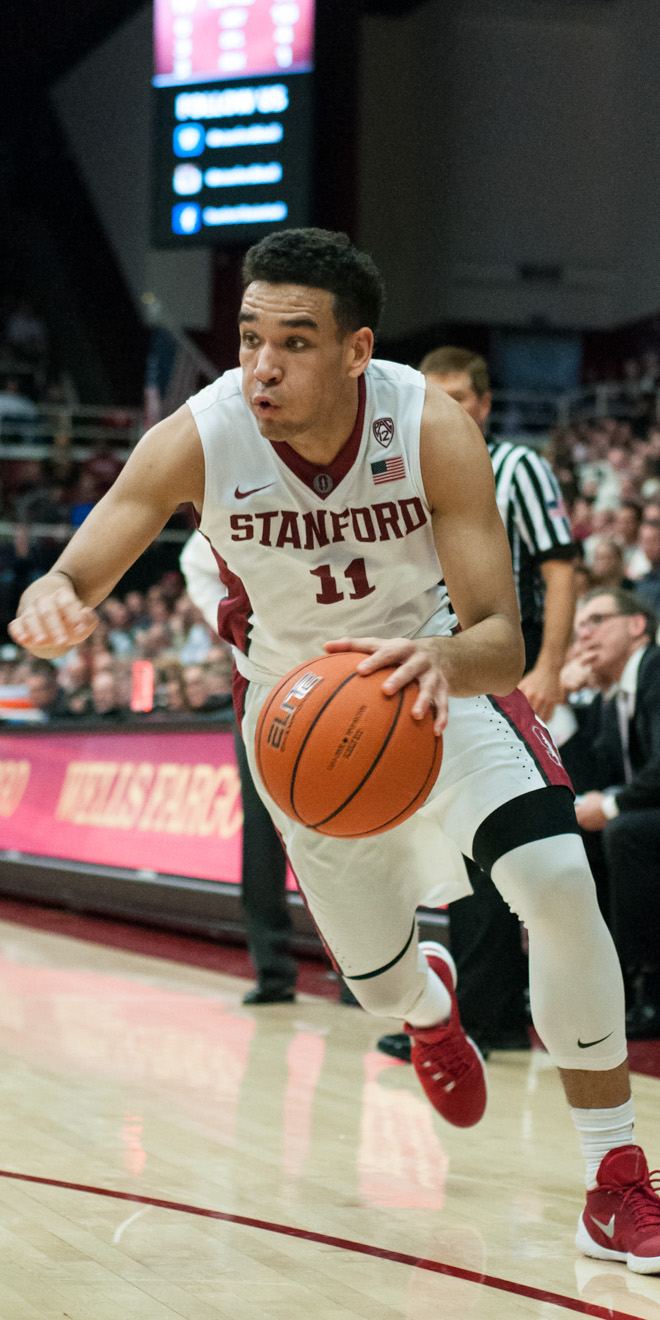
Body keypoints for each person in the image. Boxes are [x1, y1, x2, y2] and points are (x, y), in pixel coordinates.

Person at [8, 227, 660, 1273]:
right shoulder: (200, 434)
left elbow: (502, 637)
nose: (262, 365)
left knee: (555, 878)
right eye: (250, 338)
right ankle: (430, 1007)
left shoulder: (427, 423)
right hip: (295, 723)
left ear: (357, 351)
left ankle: (617, 1175)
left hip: (429, 689)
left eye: (295, 343)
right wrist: (50, 596)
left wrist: (440, 662)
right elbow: (82, 572)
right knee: (378, 988)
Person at [378, 346, 575, 1061]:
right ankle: (471, 1013)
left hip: (501, 670)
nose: (449, 411)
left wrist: (549, 664)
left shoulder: (518, 467)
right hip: (440, 674)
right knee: (457, 850)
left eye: (461, 397)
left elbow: (559, 568)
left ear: (486, 405)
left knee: (507, 851)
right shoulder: (407, 472)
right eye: (436, 397)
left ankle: (492, 1019)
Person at [180, 530, 297, 1003]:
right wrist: (233, 628)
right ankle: (272, 968)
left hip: (339, 677)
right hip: (261, 682)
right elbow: (195, 563)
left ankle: (362, 972)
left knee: (350, 829)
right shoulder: (238, 486)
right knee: (263, 829)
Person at [560, 588, 660, 1040]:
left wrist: (613, 804)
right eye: (580, 625)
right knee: (578, 831)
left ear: (636, 626)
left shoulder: (656, 669)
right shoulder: (614, 691)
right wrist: (563, 696)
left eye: (597, 620)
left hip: (643, 818)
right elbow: (587, 775)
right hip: (645, 812)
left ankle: (646, 988)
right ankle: (593, 979)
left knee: (624, 830)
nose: (584, 633)